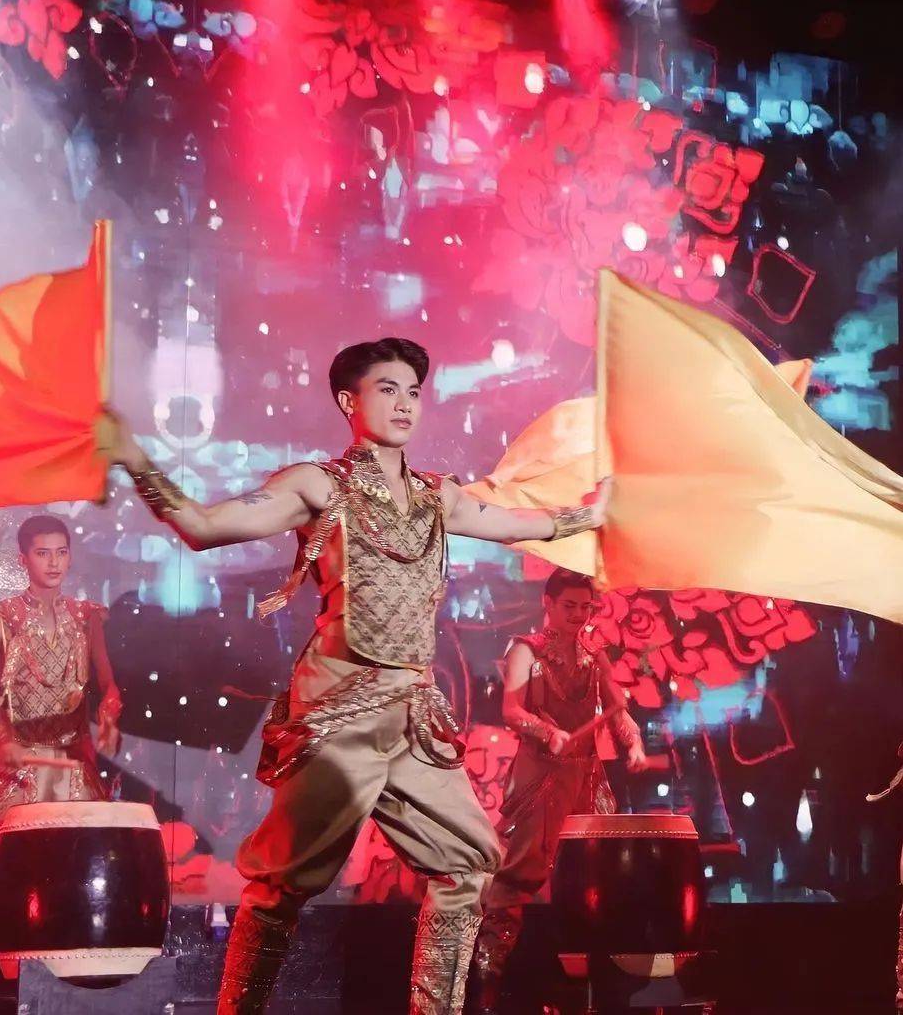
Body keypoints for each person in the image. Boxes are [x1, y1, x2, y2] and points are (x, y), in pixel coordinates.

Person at [107, 337, 609, 1014]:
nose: (404, 404)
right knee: (281, 886)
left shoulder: (437, 497)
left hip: (414, 718)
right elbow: (202, 526)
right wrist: (135, 457)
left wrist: (591, 514)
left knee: (468, 863)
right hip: (339, 711)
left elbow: (524, 523)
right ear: (349, 401)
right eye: (386, 389)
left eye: (413, 392)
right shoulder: (319, 486)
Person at [0, 515, 123, 984]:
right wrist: (2, 739)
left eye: (61, 552)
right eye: (43, 553)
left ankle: (69, 978)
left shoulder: (87, 617)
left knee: (79, 868)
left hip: (71, 764)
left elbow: (108, 685)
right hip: (21, 762)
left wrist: (110, 713)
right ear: (23, 559)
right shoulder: (1, 617)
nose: (53, 562)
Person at [471, 570, 647, 1013]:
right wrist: (547, 732)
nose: (578, 615)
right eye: (570, 606)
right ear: (547, 603)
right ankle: (488, 978)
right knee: (518, 876)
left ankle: (595, 984)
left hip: (587, 776)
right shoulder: (525, 650)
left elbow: (617, 709)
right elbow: (511, 710)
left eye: (586, 607)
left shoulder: (594, 653)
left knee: (600, 874)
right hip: (541, 775)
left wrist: (634, 743)